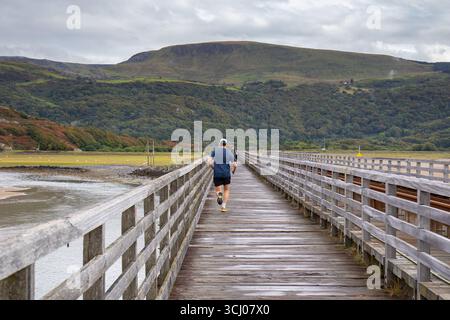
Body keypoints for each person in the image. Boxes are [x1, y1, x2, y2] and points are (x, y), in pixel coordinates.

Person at [208, 138, 237, 212]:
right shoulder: (229, 152)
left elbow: (209, 163)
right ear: (226, 144)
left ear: (220, 144)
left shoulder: (215, 151)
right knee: (226, 189)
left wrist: (213, 168)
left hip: (217, 173)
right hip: (226, 174)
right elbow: (235, 164)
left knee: (218, 189)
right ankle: (223, 206)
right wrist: (233, 170)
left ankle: (219, 194)